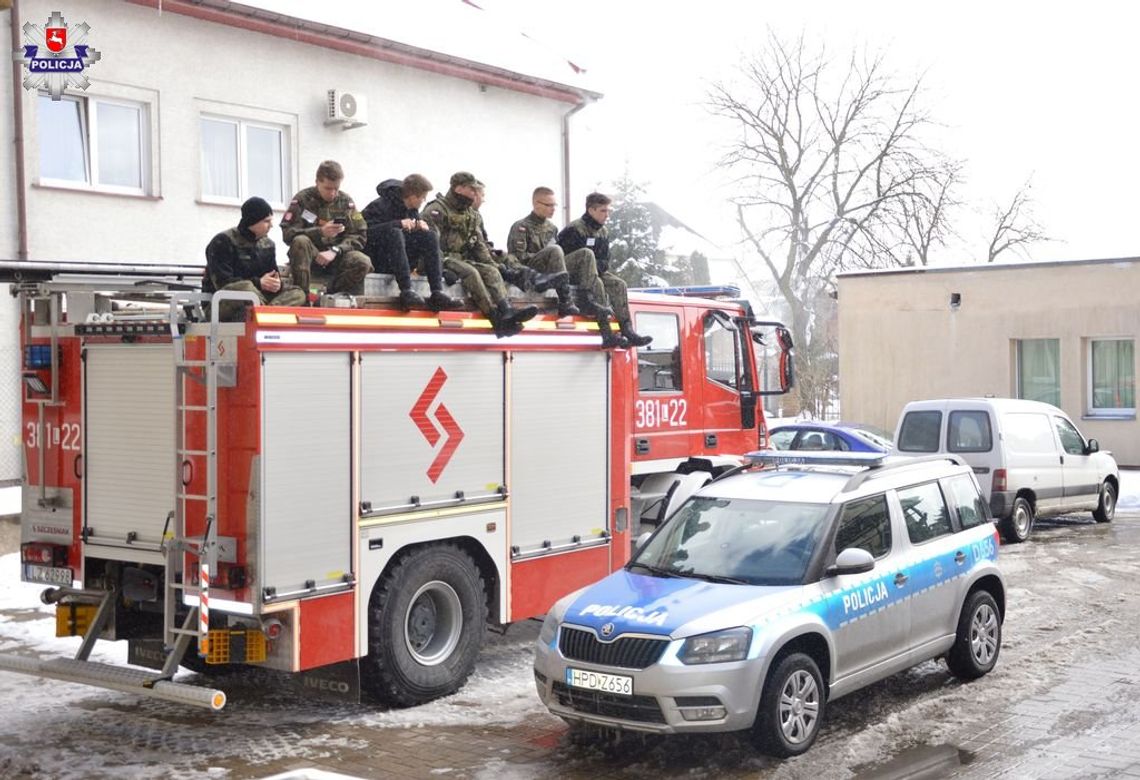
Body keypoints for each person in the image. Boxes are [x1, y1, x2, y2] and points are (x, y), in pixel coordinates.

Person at [421, 172, 537, 337]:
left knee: (490, 271)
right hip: (441, 259)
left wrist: (494, 265)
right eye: (471, 190)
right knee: (471, 272)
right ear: (459, 188)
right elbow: (430, 245)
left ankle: (506, 310)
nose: (475, 194)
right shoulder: (436, 210)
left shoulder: (472, 214)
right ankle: (494, 317)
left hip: (461, 258)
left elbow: (479, 246)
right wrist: (441, 269)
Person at [557, 192, 652, 348]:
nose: (607, 215)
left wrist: (597, 268)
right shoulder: (574, 229)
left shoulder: (603, 232)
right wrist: (592, 268)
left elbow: (604, 260)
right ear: (591, 210)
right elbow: (563, 257)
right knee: (593, 273)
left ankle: (627, 329)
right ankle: (606, 332)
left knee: (618, 284)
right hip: (569, 272)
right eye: (603, 211)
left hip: (593, 272)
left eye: (608, 211)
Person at [362, 174, 461, 311]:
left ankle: (437, 292)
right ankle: (406, 290)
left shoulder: (412, 211)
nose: (424, 201)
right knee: (395, 232)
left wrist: (419, 228)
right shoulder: (380, 205)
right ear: (413, 196)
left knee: (429, 236)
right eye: (422, 197)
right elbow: (365, 232)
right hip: (379, 258)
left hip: (400, 260)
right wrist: (397, 224)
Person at [203, 196, 306, 321]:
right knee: (245, 288)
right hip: (223, 302)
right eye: (266, 221)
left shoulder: (267, 244)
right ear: (252, 221)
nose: (271, 226)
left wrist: (275, 283)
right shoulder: (223, 241)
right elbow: (222, 282)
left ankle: (267, 314)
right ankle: (265, 313)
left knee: (298, 293)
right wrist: (259, 283)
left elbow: (272, 274)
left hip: (259, 298)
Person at [281, 160, 372, 301]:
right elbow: (288, 234)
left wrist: (336, 250)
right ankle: (301, 296)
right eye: (328, 188)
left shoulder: (346, 202)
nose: (333, 193)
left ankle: (333, 295)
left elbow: (360, 234)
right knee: (300, 241)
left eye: (336, 188)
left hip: (337, 257)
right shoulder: (302, 200)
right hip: (310, 255)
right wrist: (320, 232)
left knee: (362, 261)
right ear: (317, 182)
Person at [502, 186, 581, 318]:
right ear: (536, 204)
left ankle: (592, 296)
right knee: (554, 250)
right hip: (529, 270)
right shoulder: (521, 226)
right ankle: (565, 300)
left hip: (549, 271)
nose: (553, 208)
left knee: (584, 253)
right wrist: (546, 256)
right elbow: (517, 258)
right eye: (548, 205)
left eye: (554, 205)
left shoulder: (552, 228)